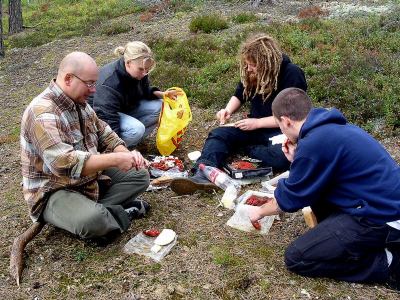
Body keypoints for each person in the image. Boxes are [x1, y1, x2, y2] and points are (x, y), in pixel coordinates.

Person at [247, 87, 400, 290]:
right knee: (319, 197)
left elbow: (291, 198)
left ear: (286, 121)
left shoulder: (314, 143)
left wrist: (259, 211)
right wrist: (296, 160)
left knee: (297, 257)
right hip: (377, 202)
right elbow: (312, 184)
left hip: (382, 218)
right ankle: (346, 239)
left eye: (280, 126)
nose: (282, 131)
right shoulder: (331, 129)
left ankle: (387, 263)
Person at [21, 51, 151, 242]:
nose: (93, 90)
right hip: (55, 190)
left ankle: (98, 214)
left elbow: (103, 131)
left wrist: (126, 154)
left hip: (87, 179)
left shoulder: (78, 101)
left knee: (140, 175)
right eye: (89, 83)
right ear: (68, 79)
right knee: (93, 220)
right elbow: (64, 164)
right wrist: (115, 159)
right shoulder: (43, 113)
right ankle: (107, 216)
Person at [170, 34, 307, 195]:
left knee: (281, 158)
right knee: (219, 134)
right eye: (247, 65)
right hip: (254, 127)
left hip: (281, 131)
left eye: (253, 65)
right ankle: (203, 171)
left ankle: (245, 148)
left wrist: (257, 123)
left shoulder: (292, 74)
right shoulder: (252, 72)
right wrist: (227, 110)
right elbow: (240, 93)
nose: (249, 69)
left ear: (266, 64)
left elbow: (292, 117)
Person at [88, 41, 180, 148]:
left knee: (161, 106)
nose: (144, 73)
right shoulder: (109, 83)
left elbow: (143, 90)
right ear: (128, 63)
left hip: (123, 108)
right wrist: (116, 148)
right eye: (141, 69)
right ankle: (118, 152)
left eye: (147, 69)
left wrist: (163, 94)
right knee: (136, 129)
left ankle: (132, 143)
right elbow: (107, 120)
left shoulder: (138, 71)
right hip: (100, 119)